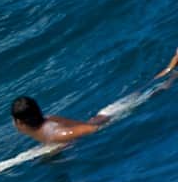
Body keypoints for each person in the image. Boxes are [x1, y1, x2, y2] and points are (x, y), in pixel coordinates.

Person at [11, 47, 178, 144]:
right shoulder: (47, 121)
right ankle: (172, 66)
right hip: (105, 113)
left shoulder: (55, 134)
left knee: (154, 92)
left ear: (21, 122)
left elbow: (91, 128)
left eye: (14, 120)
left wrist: (69, 140)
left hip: (113, 116)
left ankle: (173, 66)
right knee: (149, 87)